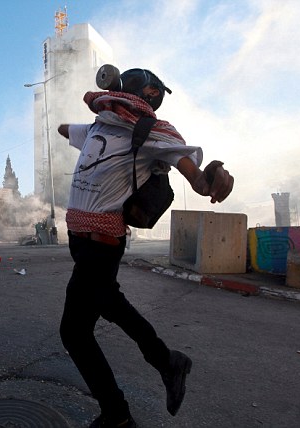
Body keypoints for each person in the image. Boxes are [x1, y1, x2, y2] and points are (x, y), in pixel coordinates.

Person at [57, 67, 234, 428]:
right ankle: (151, 378)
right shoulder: (97, 127)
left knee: (86, 321)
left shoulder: (152, 133)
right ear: (149, 90)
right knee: (87, 323)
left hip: (101, 245)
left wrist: (212, 178)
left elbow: (198, 180)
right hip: (82, 243)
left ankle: (128, 404)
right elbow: (67, 130)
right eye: (157, 91)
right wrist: (70, 126)